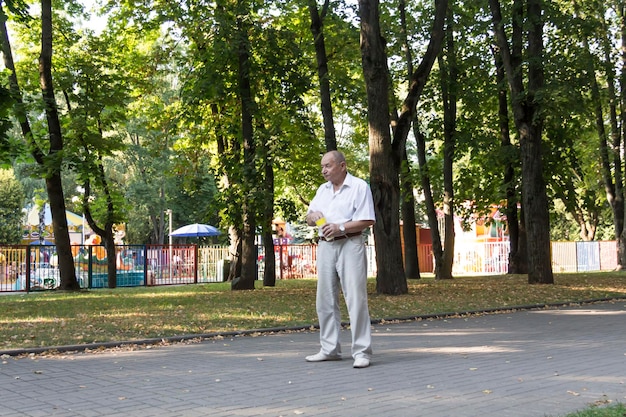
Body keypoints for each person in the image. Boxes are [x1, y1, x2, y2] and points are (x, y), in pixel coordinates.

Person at [305, 150, 376, 368]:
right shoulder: (322, 190)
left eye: (328, 166)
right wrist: (314, 217)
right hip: (326, 246)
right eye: (322, 167)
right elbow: (309, 218)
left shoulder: (359, 187)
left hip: (350, 243)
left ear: (342, 166)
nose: (324, 171)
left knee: (355, 298)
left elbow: (367, 219)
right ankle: (329, 349)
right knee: (325, 299)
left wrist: (340, 227)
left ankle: (362, 351)